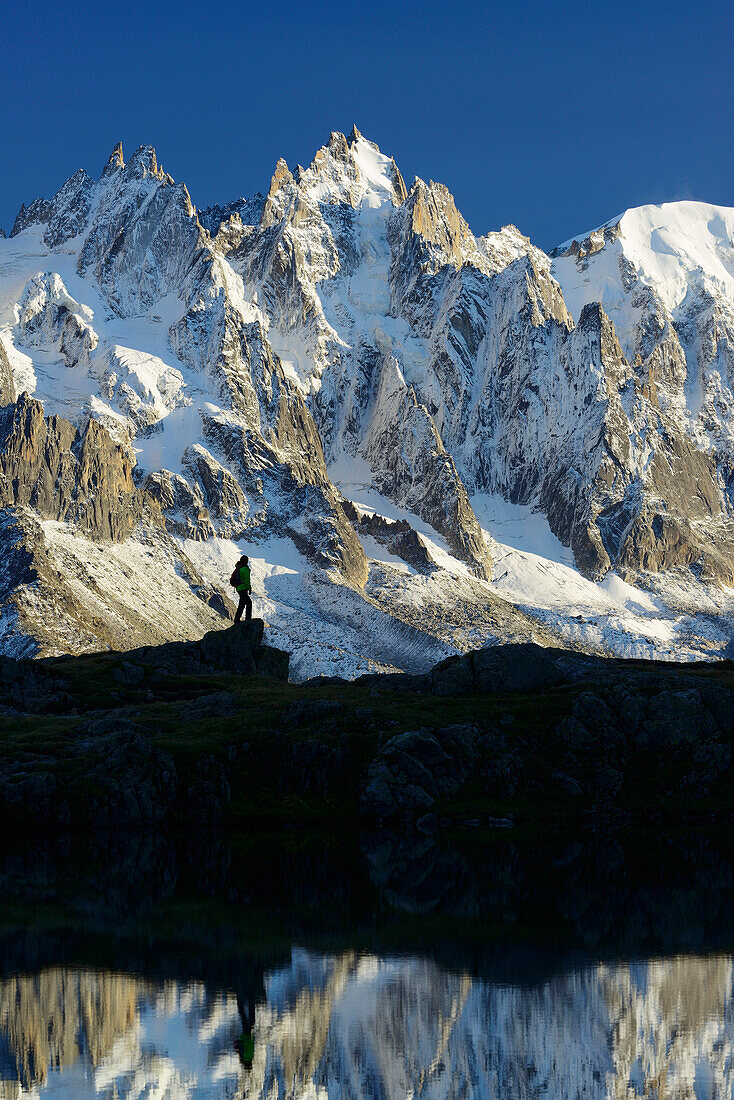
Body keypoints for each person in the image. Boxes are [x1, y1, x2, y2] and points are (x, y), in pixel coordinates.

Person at [230, 554, 253, 623]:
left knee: (242, 604)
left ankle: (237, 619)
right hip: (243, 588)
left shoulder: (238, 568)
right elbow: (247, 580)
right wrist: (249, 589)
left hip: (238, 588)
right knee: (249, 603)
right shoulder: (245, 569)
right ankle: (248, 619)